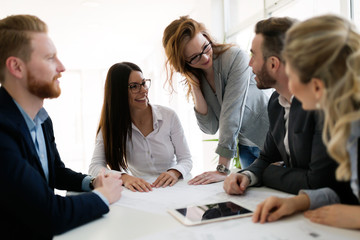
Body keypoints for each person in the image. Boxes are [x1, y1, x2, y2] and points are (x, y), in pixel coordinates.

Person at [0, 14, 123, 239]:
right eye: (50, 58)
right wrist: (104, 195)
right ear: (16, 67)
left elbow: (55, 172)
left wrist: (92, 182)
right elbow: (47, 214)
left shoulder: (42, 119)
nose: (62, 67)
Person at [223, 17, 357, 203]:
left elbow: (321, 183)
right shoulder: (275, 103)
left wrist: (270, 172)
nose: (249, 64)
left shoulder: (329, 111)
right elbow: (267, 157)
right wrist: (249, 175)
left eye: (292, 70)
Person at [252, 14, 360, 230]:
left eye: (292, 76)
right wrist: (299, 201)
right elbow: (345, 190)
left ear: (317, 86)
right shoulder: (346, 123)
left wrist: (356, 217)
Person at [162, 16, 269, 185]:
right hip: (246, 148)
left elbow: (231, 113)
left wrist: (222, 168)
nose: (204, 58)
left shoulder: (235, 57)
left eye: (206, 47)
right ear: (183, 63)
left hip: (270, 140)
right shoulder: (199, 77)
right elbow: (210, 127)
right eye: (194, 57)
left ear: (207, 36)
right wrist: (195, 85)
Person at [89, 62, 192, 192]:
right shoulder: (111, 126)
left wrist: (174, 172)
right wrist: (123, 177)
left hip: (175, 189)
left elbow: (186, 159)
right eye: (134, 86)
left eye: (143, 83)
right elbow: (94, 167)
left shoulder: (169, 116)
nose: (143, 90)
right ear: (118, 92)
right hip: (143, 192)